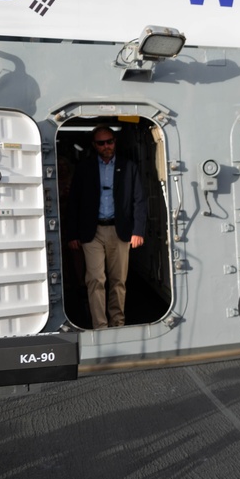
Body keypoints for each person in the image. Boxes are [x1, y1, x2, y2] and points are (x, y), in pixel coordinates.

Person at [65, 125, 146, 330]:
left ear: (115, 142)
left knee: (118, 281)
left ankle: (117, 323)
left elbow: (139, 200)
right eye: (101, 143)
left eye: (109, 141)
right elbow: (74, 202)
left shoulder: (129, 167)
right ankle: (100, 326)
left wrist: (138, 231)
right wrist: (72, 234)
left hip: (120, 231)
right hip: (92, 232)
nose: (106, 146)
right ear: (95, 145)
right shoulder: (84, 168)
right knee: (95, 279)